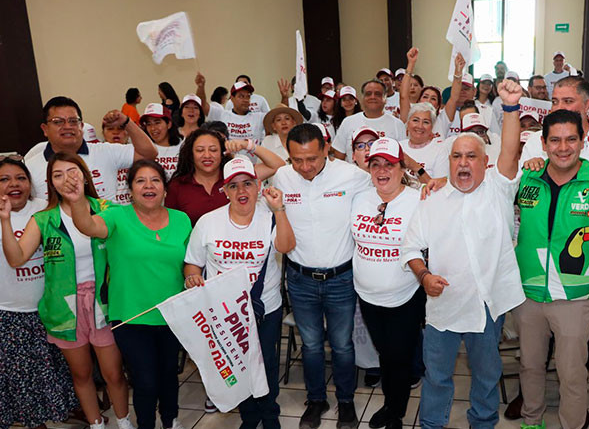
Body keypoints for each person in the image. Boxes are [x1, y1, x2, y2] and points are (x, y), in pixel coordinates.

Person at [400, 79, 526, 429]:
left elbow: (511, 152)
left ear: (485, 163)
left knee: (486, 376)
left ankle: (483, 423)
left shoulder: (498, 189)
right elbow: (410, 247)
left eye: (472, 156)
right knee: (437, 376)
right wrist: (424, 276)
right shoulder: (432, 199)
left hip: (487, 306)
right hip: (442, 307)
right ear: (449, 161)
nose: (463, 163)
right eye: (457, 156)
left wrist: (512, 107)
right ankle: (432, 424)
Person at [512, 92, 589, 429]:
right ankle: (531, 421)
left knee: (571, 372)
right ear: (543, 143)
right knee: (530, 365)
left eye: (571, 139)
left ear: (583, 142)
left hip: (575, 298)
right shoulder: (527, 178)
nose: (563, 147)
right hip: (528, 293)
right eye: (555, 140)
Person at [1, 152, 132, 429]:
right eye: (57, 175)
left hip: (103, 302)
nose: (66, 179)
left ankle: (124, 422)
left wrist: (79, 204)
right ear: (50, 184)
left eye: (71, 172)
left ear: (84, 176)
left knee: (114, 373)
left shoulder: (107, 209)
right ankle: (96, 423)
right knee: (81, 374)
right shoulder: (44, 219)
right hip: (63, 308)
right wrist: (5, 221)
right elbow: (16, 259)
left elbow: (101, 232)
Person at [65, 159, 192, 429]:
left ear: (165, 189)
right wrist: (77, 200)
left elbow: (190, 261)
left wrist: (194, 275)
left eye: (155, 180)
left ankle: (171, 421)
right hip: (132, 316)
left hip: (173, 315)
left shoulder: (181, 220)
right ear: (130, 190)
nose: (149, 186)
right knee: (145, 380)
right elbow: (87, 226)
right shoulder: (116, 216)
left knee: (169, 375)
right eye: (141, 181)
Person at [272, 124, 372, 429]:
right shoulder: (283, 177)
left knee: (342, 345)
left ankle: (345, 402)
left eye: (312, 159)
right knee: (312, 346)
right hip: (300, 279)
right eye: (297, 160)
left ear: (326, 149)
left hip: (341, 278)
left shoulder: (352, 176)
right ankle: (315, 400)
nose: (305, 167)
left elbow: (385, 194)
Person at [184, 155, 295, 429]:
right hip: (224, 312)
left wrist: (279, 210)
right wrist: (192, 277)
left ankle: (270, 415)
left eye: (247, 183)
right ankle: (249, 416)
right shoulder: (209, 222)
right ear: (224, 191)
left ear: (259, 185)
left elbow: (285, 246)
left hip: (264, 309)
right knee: (238, 365)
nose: (241, 191)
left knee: (266, 365)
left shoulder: (269, 217)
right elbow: (192, 264)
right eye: (233, 186)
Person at [350, 138, 425, 429]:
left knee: (399, 357)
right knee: (386, 354)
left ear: (401, 167)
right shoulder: (360, 197)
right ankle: (391, 402)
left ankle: (395, 411)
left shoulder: (418, 200)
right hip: (367, 295)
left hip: (404, 295)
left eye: (389, 164)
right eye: (376, 164)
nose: (382, 170)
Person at [0, 156, 78, 429]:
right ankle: (34, 422)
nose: (14, 184)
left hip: (52, 308)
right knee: (24, 378)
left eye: (20, 178)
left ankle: (72, 410)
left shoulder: (44, 209)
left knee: (62, 371)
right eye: (4, 179)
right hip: (12, 313)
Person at [25, 96, 157, 201]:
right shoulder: (30, 167)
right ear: (45, 129)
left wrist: (126, 123)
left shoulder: (106, 152)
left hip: (106, 231)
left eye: (73, 121)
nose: (67, 126)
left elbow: (148, 154)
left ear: (81, 126)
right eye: (58, 121)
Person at [165, 129, 284, 225]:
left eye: (213, 150)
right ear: (191, 154)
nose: (207, 155)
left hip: (234, 249)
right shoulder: (177, 186)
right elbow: (171, 224)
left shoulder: (236, 176)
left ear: (223, 153)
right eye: (200, 150)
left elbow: (277, 165)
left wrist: (247, 145)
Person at [332, 80, 406, 162]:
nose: (372, 97)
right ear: (362, 98)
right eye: (368, 94)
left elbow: (402, 159)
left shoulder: (398, 124)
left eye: (377, 94)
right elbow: (338, 158)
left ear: (385, 99)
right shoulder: (348, 122)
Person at [195, 73, 269, 146]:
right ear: (232, 99)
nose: (246, 100)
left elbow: (278, 119)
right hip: (229, 158)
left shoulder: (259, 117)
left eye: (248, 96)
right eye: (241, 96)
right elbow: (203, 105)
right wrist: (201, 87)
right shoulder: (222, 115)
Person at [399, 102, 448, 179]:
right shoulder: (398, 147)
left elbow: (439, 189)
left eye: (426, 122)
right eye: (415, 120)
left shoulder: (440, 150)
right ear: (408, 123)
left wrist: (415, 167)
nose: (420, 126)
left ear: (432, 127)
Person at [140, 103, 183, 180]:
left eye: (157, 122)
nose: (153, 128)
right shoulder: (143, 150)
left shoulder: (183, 145)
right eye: (149, 124)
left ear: (169, 124)